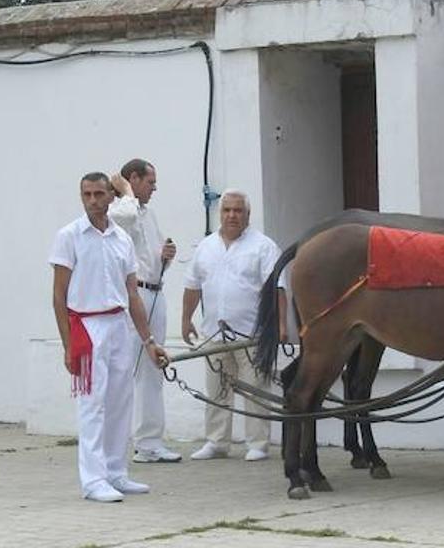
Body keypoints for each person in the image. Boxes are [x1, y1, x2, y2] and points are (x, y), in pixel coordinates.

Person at [50, 172, 169, 502]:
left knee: (121, 399)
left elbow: (133, 295)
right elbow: (59, 295)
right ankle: (93, 479)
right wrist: (67, 343)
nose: (93, 200)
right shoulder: (69, 236)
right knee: (93, 404)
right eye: (86, 194)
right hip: (86, 326)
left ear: (110, 197)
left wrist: (148, 341)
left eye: (99, 194)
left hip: (119, 324)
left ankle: (117, 471)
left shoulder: (122, 239)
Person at [182, 191, 281, 462]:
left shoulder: (263, 246)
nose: (232, 216)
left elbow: (277, 290)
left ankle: (258, 444)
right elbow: (192, 286)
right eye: (227, 210)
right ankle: (216, 442)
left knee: (256, 389)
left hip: (251, 335)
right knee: (217, 390)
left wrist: (279, 326)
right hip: (214, 332)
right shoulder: (206, 246)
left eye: (238, 211)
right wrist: (185, 319)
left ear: (247, 215)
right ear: (220, 213)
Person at [108, 159, 182, 463]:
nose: (154, 188)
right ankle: (125, 440)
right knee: (130, 369)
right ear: (133, 179)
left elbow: (149, 255)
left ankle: (150, 441)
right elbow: (124, 215)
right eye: (149, 182)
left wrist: (164, 255)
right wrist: (123, 189)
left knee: (153, 368)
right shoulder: (117, 210)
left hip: (155, 291)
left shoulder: (147, 213)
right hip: (133, 294)